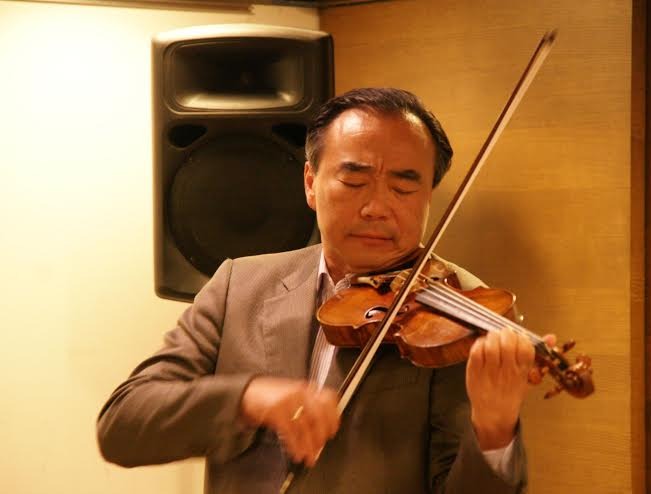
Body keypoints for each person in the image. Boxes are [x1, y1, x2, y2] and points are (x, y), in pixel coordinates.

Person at [98, 88, 548, 494]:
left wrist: (493, 430)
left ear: (429, 195)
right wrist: (251, 398)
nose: (377, 207)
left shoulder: (460, 312)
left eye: (404, 187)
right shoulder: (239, 285)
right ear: (311, 183)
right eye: (354, 181)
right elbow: (123, 424)